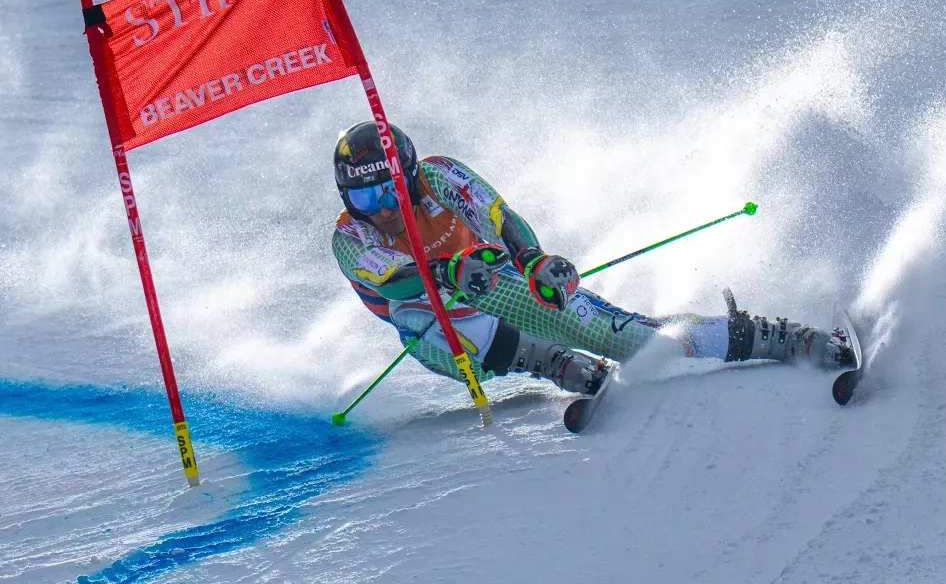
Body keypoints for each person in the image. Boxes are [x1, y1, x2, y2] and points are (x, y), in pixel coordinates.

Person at [331, 121, 853, 396]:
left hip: (493, 283)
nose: (383, 210)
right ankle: (549, 361)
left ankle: (774, 337)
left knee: (627, 340)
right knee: (417, 315)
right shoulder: (350, 237)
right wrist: (445, 271)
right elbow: (394, 281)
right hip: (443, 332)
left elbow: (497, 217)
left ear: (409, 175)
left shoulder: (438, 176)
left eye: (389, 190)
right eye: (365, 197)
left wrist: (533, 261)